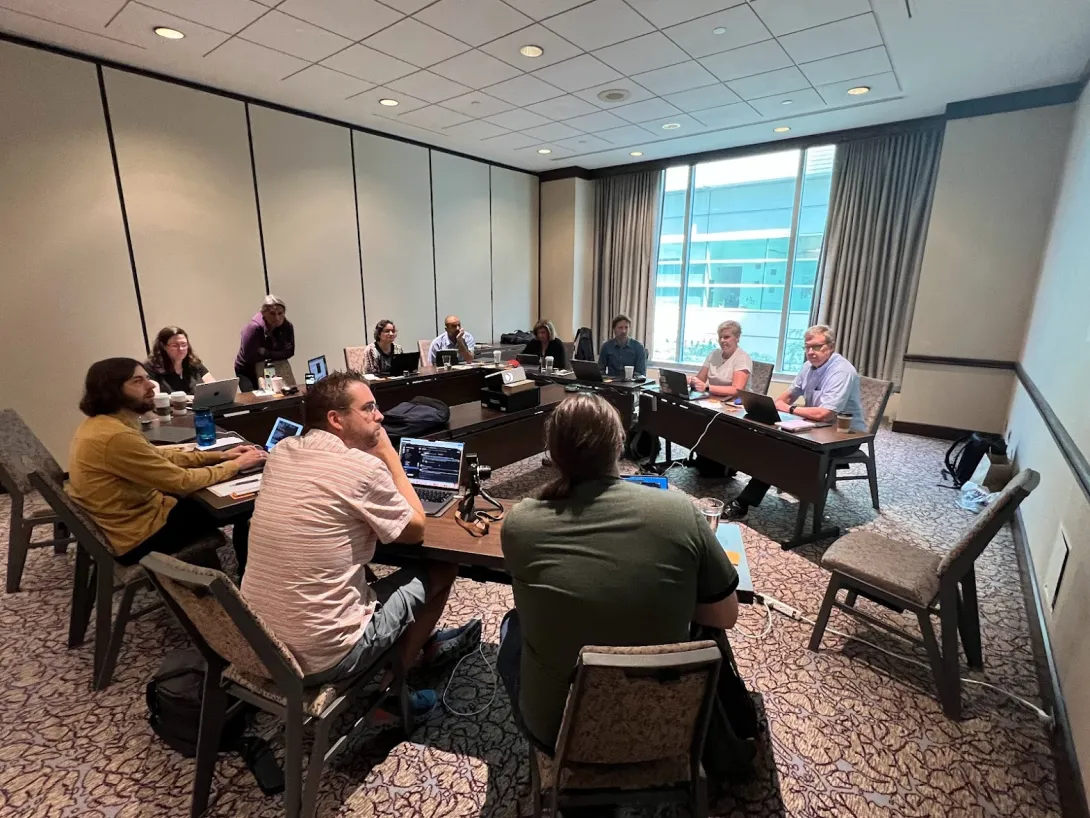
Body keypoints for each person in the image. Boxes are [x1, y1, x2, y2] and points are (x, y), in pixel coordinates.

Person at [499, 393, 739, 752]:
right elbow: (726, 614)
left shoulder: (519, 523)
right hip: (667, 724)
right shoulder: (679, 510)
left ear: (553, 452)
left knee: (511, 627)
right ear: (619, 445)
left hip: (558, 731)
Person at [241, 371, 481, 713]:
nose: (380, 416)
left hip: (257, 642)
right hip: (322, 656)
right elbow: (415, 529)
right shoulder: (362, 467)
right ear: (336, 420)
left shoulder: (281, 452)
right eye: (368, 408)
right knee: (442, 568)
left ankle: (408, 642)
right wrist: (390, 456)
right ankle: (390, 697)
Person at [67, 358, 266, 568]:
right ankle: (250, 580)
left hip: (133, 516)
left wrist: (222, 456)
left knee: (207, 497)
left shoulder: (104, 424)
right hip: (139, 535)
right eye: (137, 381)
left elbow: (160, 457)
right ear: (111, 390)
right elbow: (183, 482)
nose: (150, 385)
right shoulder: (116, 436)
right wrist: (236, 465)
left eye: (146, 378)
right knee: (248, 506)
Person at [725, 324, 866, 520]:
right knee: (769, 439)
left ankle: (745, 501)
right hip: (815, 427)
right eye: (807, 347)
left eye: (817, 347)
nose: (811, 352)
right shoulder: (808, 367)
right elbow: (789, 395)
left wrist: (789, 409)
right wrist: (775, 405)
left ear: (831, 346)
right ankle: (760, 481)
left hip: (843, 435)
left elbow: (825, 414)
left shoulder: (842, 371)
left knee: (784, 451)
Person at [234, 295, 295, 391]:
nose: (277, 318)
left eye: (280, 313)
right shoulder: (253, 328)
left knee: (284, 393)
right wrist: (278, 353)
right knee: (256, 400)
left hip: (273, 365)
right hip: (248, 369)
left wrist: (266, 353)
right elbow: (249, 357)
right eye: (272, 314)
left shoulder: (287, 326)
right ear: (263, 314)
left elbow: (290, 352)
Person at [144, 326, 217, 394]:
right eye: (175, 345)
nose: (180, 349)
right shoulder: (151, 367)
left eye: (184, 344)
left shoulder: (194, 363)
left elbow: (214, 388)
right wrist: (181, 398)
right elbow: (154, 396)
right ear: (163, 346)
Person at [689, 320, 753, 398]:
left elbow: (736, 390)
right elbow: (701, 379)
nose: (722, 340)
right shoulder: (713, 354)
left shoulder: (742, 358)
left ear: (737, 338)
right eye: (720, 337)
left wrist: (707, 387)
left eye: (726, 337)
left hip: (734, 403)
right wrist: (693, 381)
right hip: (713, 399)